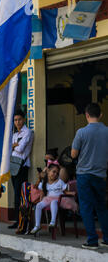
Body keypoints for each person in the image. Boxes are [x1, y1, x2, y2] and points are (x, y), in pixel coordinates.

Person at [71, 103, 108, 250]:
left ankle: (92, 240)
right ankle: (106, 238)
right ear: (100, 115)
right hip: (100, 174)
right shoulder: (107, 131)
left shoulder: (81, 132)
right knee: (101, 207)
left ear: (86, 115)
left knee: (86, 207)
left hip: (84, 175)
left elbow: (73, 154)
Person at [8, 109, 33, 229]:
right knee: (16, 194)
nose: (17, 122)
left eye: (19, 119)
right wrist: (13, 146)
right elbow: (8, 148)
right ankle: (17, 221)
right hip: (13, 165)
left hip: (22, 166)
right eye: (15, 120)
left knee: (21, 193)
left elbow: (21, 149)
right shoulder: (14, 135)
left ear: (24, 119)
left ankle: (22, 221)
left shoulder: (27, 132)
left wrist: (13, 146)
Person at [30, 161, 69, 236]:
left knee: (53, 202)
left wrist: (72, 193)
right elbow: (40, 190)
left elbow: (65, 191)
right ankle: (37, 225)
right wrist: (41, 176)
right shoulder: (45, 182)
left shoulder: (59, 181)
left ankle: (53, 221)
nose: (55, 174)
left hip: (58, 200)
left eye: (57, 173)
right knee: (38, 205)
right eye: (53, 172)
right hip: (48, 199)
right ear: (48, 171)